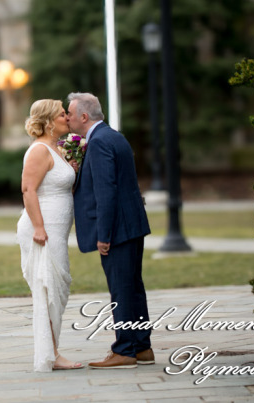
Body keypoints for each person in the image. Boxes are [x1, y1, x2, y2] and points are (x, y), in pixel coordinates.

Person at [66, 92, 153, 369]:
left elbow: (106, 192)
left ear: (83, 116)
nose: (67, 118)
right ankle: (141, 347)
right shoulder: (113, 136)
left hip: (118, 229)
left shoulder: (100, 142)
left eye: (70, 113)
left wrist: (104, 236)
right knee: (133, 288)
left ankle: (125, 349)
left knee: (121, 290)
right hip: (131, 224)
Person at [16, 98, 83, 371]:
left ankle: (52, 350)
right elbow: (28, 190)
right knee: (49, 289)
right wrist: (40, 228)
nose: (67, 117)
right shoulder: (39, 151)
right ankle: (51, 355)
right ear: (47, 121)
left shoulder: (56, 149)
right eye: (62, 114)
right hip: (42, 229)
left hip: (57, 228)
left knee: (59, 288)